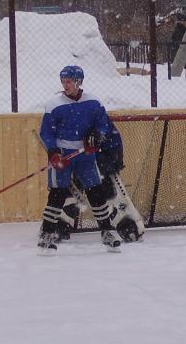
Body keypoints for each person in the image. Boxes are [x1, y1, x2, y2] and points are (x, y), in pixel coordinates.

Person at [38, 65, 121, 255]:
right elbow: (46, 132)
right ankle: (47, 234)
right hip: (63, 155)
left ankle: (107, 232)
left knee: (96, 191)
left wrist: (97, 135)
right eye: (63, 81)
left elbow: (103, 125)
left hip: (85, 155)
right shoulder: (54, 105)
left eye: (69, 81)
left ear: (78, 82)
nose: (65, 85)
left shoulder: (93, 102)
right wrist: (53, 151)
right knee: (58, 194)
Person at [48, 114, 145, 243]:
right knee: (66, 189)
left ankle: (130, 224)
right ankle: (59, 225)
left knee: (108, 192)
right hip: (87, 157)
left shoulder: (91, 111)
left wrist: (94, 139)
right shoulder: (65, 113)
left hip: (104, 155)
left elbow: (103, 131)